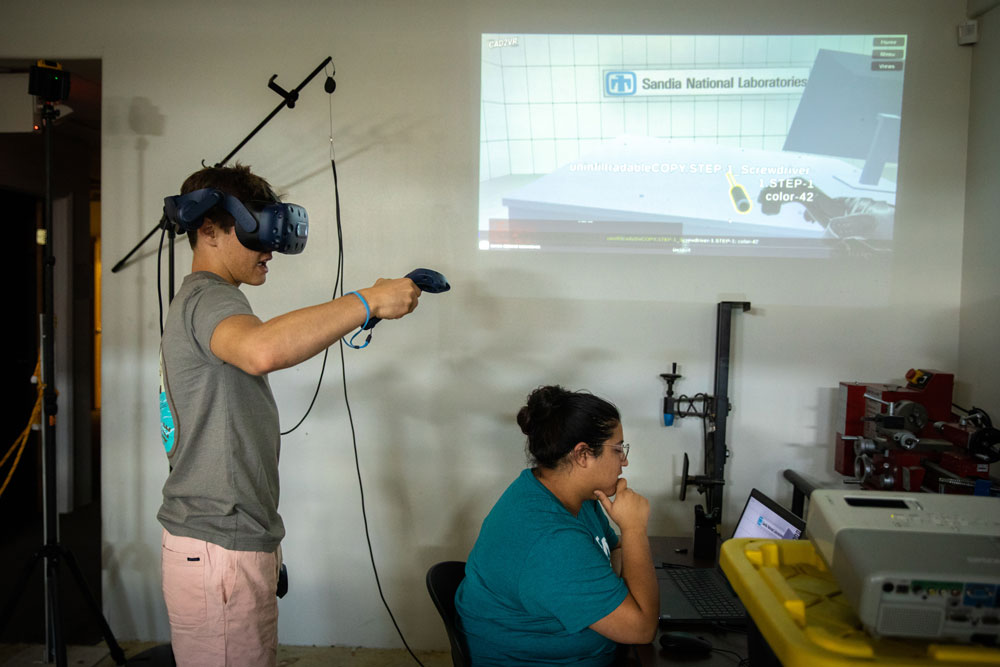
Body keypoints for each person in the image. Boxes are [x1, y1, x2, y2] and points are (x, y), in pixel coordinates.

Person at [156, 164, 421, 667]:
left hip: (222, 542)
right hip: (220, 548)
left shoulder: (206, 301)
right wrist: (368, 301)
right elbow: (261, 350)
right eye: (254, 232)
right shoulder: (209, 299)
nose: (268, 250)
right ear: (208, 229)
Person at [455, 385, 658, 666]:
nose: (624, 461)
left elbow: (616, 551)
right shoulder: (551, 541)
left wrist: (624, 552)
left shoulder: (564, 493)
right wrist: (634, 529)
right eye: (618, 449)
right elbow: (642, 629)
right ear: (583, 454)